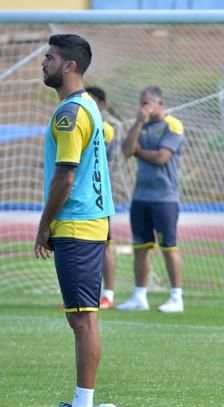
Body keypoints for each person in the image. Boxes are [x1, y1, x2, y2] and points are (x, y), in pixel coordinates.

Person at [34, 34, 114, 407]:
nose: (42, 63)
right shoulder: (86, 107)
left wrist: (43, 223)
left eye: (49, 58)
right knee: (83, 317)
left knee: (83, 319)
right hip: (89, 223)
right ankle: (82, 404)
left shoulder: (71, 112)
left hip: (78, 224)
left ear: (69, 66)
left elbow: (65, 177)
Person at [116, 86, 185, 313]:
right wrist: (137, 123)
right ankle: (139, 296)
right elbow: (126, 151)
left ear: (159, 103)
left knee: (168, 246)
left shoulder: (172, 125)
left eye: (147, 103)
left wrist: (139, 152)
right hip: (140, 197)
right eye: (141, 102)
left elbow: (162, 157)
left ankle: (176, 297)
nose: (143, 107)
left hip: (165, 198)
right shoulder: (141, 126)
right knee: (140, 247)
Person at [86, 86, 117, 309]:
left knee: (104, 244)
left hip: (98, 196)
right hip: (80, 196)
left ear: (102, 105)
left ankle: (108, 294)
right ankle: (84, 294)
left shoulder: (105, 129)